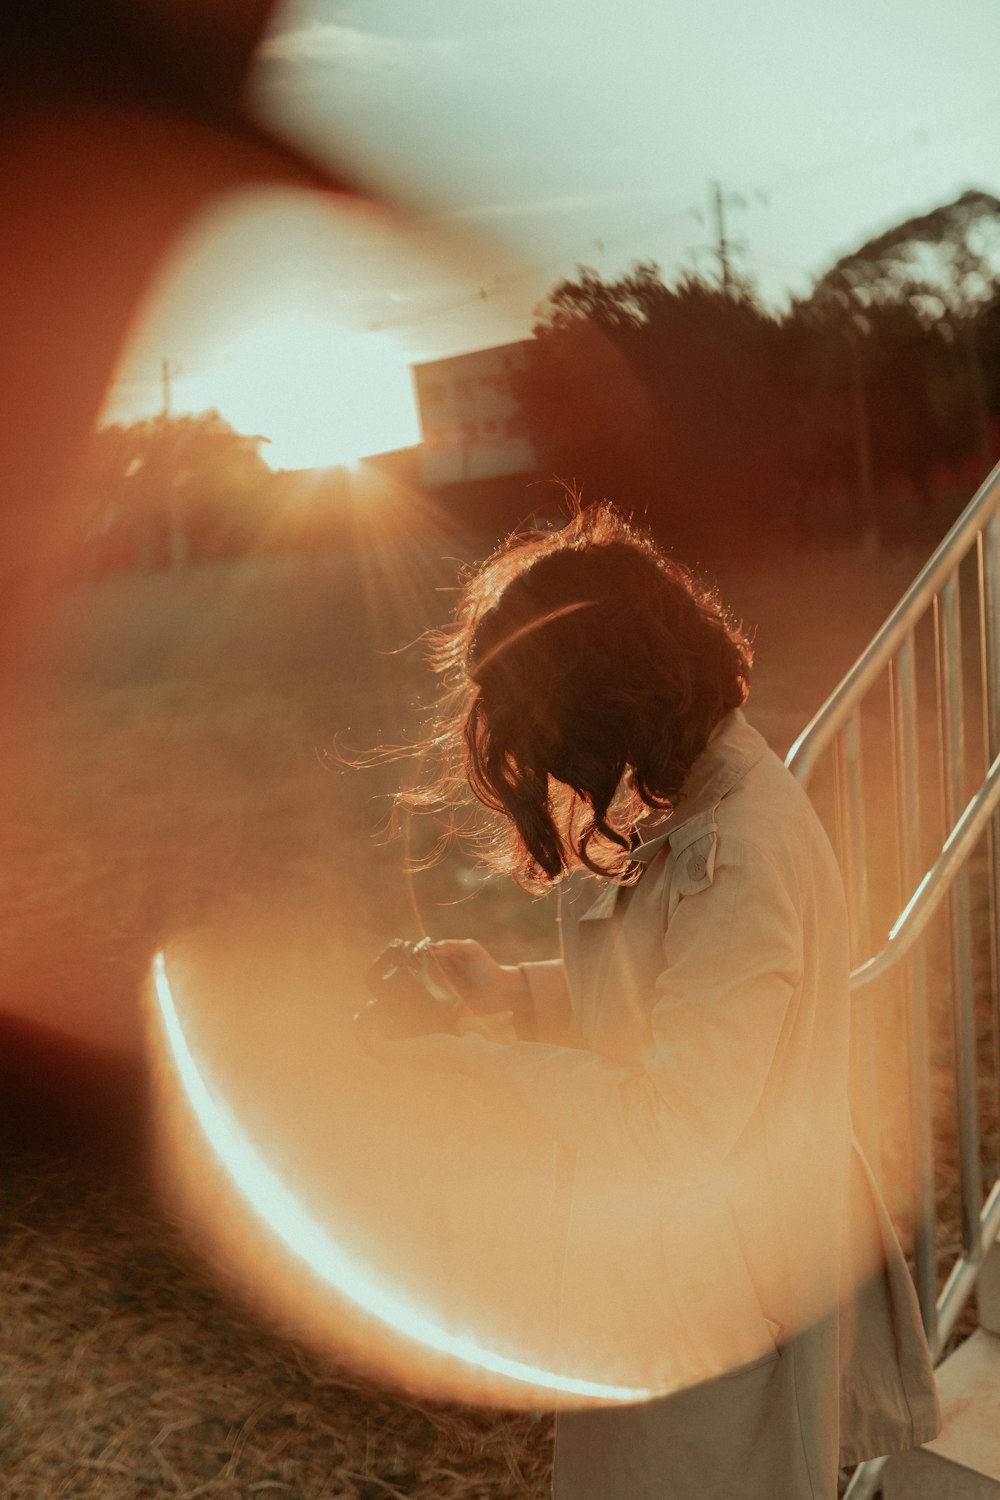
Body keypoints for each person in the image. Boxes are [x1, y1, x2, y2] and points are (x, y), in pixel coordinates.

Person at [367, 502, 940, 1500]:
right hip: (680, 1287)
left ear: (610, 697)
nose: (547, 764)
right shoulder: (703, 800)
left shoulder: (740, 851)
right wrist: (507, 997)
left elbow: (673, 1123)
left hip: (713, 1319)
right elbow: (676, 999)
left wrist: (474, 1073)